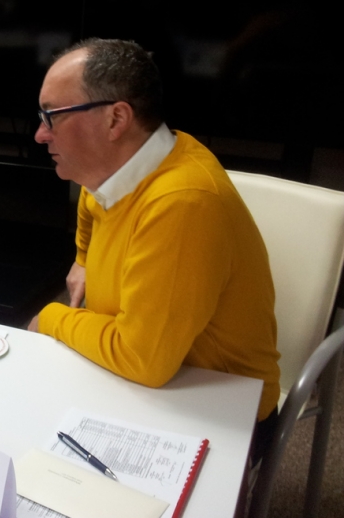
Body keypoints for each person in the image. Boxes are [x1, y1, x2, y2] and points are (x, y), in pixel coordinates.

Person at [27, 38, 280, 460]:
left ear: (116, 119)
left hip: (215, 405)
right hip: (145, 379)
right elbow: (90, 206)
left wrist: (52, 318)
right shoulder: (116, 170)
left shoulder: (182, 201)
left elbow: (142, 358)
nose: (40, 134)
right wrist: (83, 260)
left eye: (53, 116)